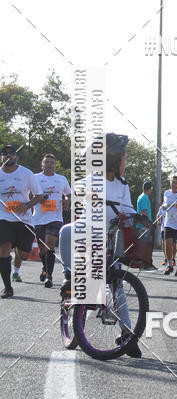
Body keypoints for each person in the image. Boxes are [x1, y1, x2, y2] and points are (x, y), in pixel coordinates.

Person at [58, 133, 142, 357]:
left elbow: (128, 208)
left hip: (111, 236)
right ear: (112, 159)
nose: (126, 161)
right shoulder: (88, 180)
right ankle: (69, 274)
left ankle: (127, 334)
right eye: (124, 157)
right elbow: (78, 194)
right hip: (87, 231)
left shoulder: (122, 185)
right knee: (66, 230)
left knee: (118, 284)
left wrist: (137, 219)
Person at [0, 145, 48, 298]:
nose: (8, 156)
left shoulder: (26, 173)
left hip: (24, 219)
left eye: (11, 153)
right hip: (3, 217)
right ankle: (8, 287)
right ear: (1, 157)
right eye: (5, 154)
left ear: (16, 157)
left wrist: (26, 205)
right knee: (3, 249)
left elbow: (39, 195)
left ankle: (15, 253)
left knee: (24, 254)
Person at [32, 153, 71, 289]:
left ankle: (49, 277)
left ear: (55, 165)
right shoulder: (35, 178)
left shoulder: (61, 179)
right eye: (46, 162)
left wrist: (67, 200)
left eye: (52, 163)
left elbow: (69, 194)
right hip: (38, 218)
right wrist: (37, 198)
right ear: (42, 164)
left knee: (50, 244)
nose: (49, 165)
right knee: (42, 249)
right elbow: (28, 194)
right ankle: (45, 267)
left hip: (55, 217)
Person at [162, 175, 177, 276]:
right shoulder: (167, 193)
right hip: (169, 222)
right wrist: (164, 206)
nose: (174, 184)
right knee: (168, 244)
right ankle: (170, 264)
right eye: (173, 182)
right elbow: (164, 204)